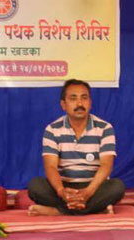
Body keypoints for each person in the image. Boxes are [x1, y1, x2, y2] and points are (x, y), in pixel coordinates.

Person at [27, 79, 125, 216]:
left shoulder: (104, 128)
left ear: (90, 102)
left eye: (84, 98)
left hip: (94, 187)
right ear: (63, 105)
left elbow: (106, 166)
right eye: (73, 98)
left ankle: (58, 211)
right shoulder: (52, 129)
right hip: (64, 187)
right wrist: (61, 191)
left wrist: (88, 192)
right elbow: (51, 167)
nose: (79, 104)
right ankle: (94, 208)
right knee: (35, 186)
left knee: (117, 187)